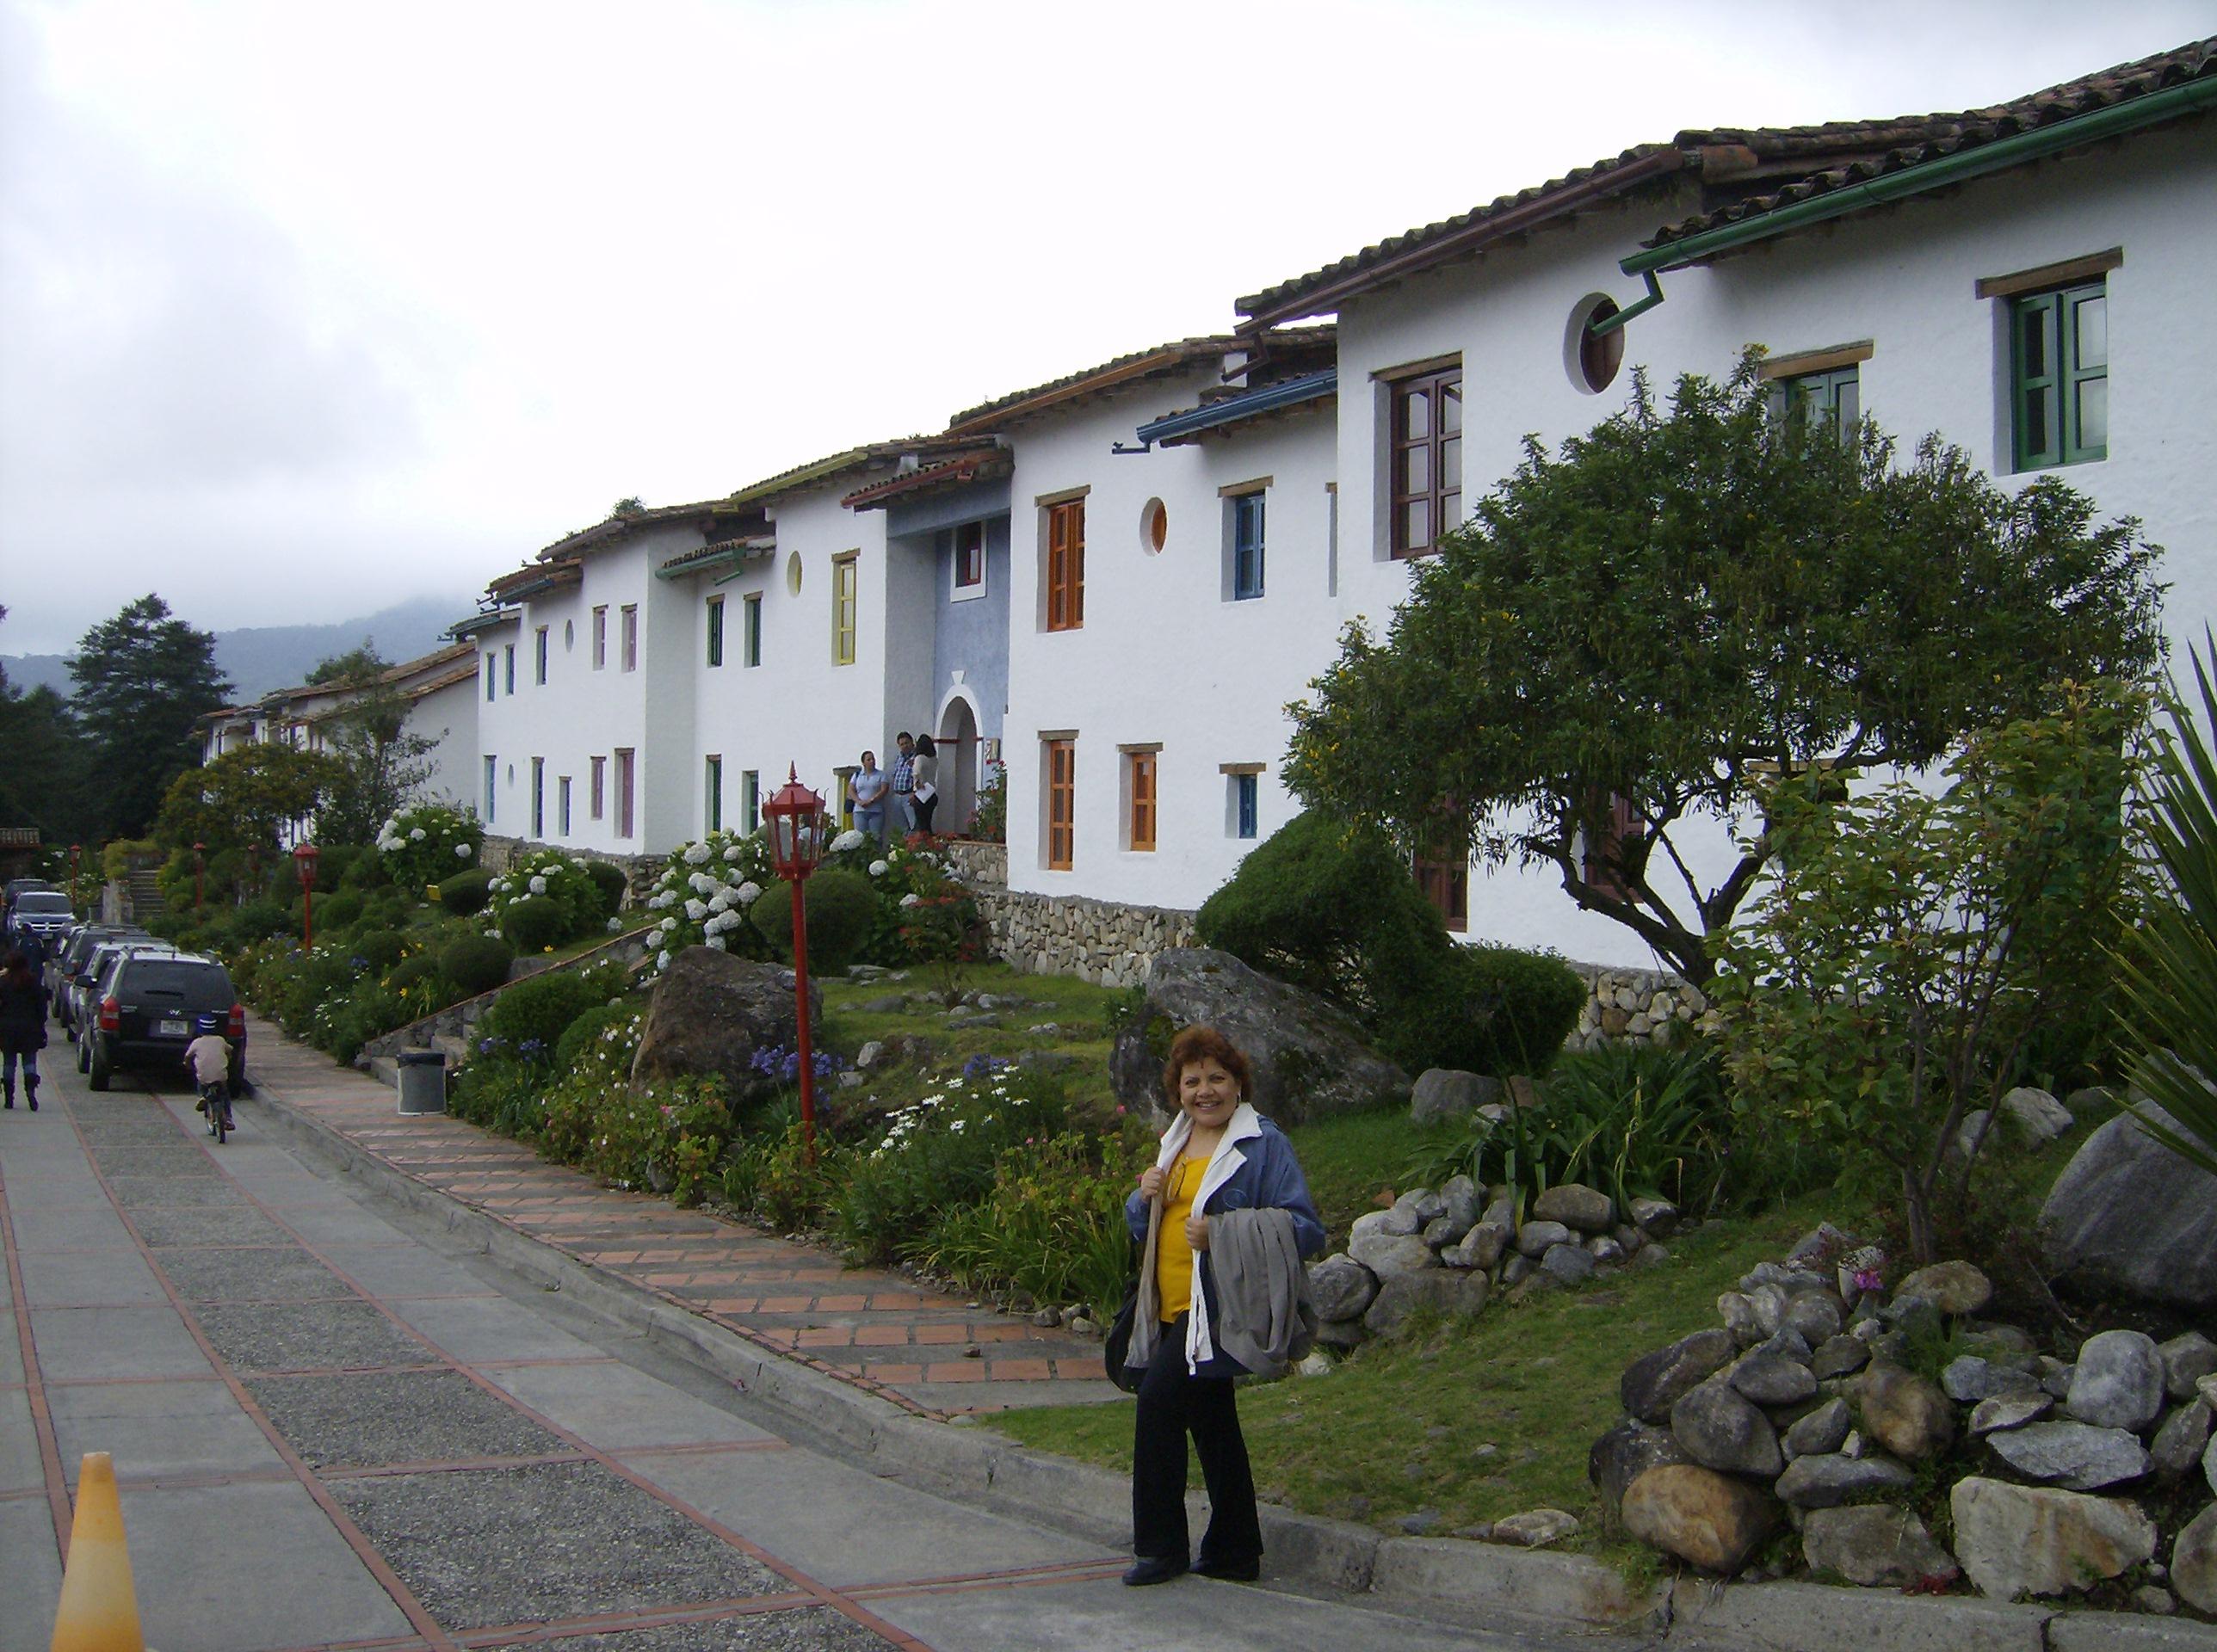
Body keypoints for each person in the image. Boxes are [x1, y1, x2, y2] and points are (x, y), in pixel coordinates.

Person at [1121, 1025, 1325, 1587]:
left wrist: (1224, 1234)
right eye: (1192, 1081)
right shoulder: (1176, 1141)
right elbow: (1142, 1226)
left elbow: (1306, 1228)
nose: (1204, 1091)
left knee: (1157, 1406)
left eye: (1217, 1078)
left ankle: (1160, 1550)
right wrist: (1142, 1199)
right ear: (1177, 1090)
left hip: (1214, 1311)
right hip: (1165, 1309)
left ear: (1239, 1085)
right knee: (1213, 1425)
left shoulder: (1263, 1144)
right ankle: (1236, 1550)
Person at [0, 949, 50, 1112]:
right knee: (29, 1061)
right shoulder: (33, 981)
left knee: (9, 1062)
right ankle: (30, 1088)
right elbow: (42, 1006)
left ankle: (9, 1097)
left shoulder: (3, 982)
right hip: (30, 1027)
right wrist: (41, 1024)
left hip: (7, 1027)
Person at [184, 1015, 232, 1131]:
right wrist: (228, 1058)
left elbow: (188, 1056)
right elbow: (230, 1050)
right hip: (220, 1076)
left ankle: (202, 1096)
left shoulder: (197, 1042)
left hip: (204, 1076)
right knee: (225, 1094)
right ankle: (228, 1118)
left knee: (201, 1083)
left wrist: (187, 1064)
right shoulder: (220, 1040)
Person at [849, 751, 891, 847]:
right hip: (860, 811)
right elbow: (851, 789)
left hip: (876, 811)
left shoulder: (881, 775)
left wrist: (871, 800)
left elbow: (884, 790)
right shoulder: (857, 775)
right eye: (869, 759)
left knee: (875, 838)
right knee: (860, 838)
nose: (872, 761)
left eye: (873, 759)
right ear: (863, 762)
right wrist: (858, 801)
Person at [910, 734, 941, 835]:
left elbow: (917, 773)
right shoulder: (934, 759)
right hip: (931, 792)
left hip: (921, 794)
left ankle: (924, 846)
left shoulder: (919, 758)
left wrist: (916, 787)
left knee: (921, 824)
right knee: (928, 823)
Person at [889, 731, 917, 834]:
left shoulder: (917, 758)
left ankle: (914, 847)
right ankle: (902, 847)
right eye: (902, 744)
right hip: (897, 795)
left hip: (909, 795)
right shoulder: (899, 758)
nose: (904, 746)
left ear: (912, 743)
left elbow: (920, 777)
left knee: (913, 825)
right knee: (900, 826)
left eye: (906, 743)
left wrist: (915, 793)